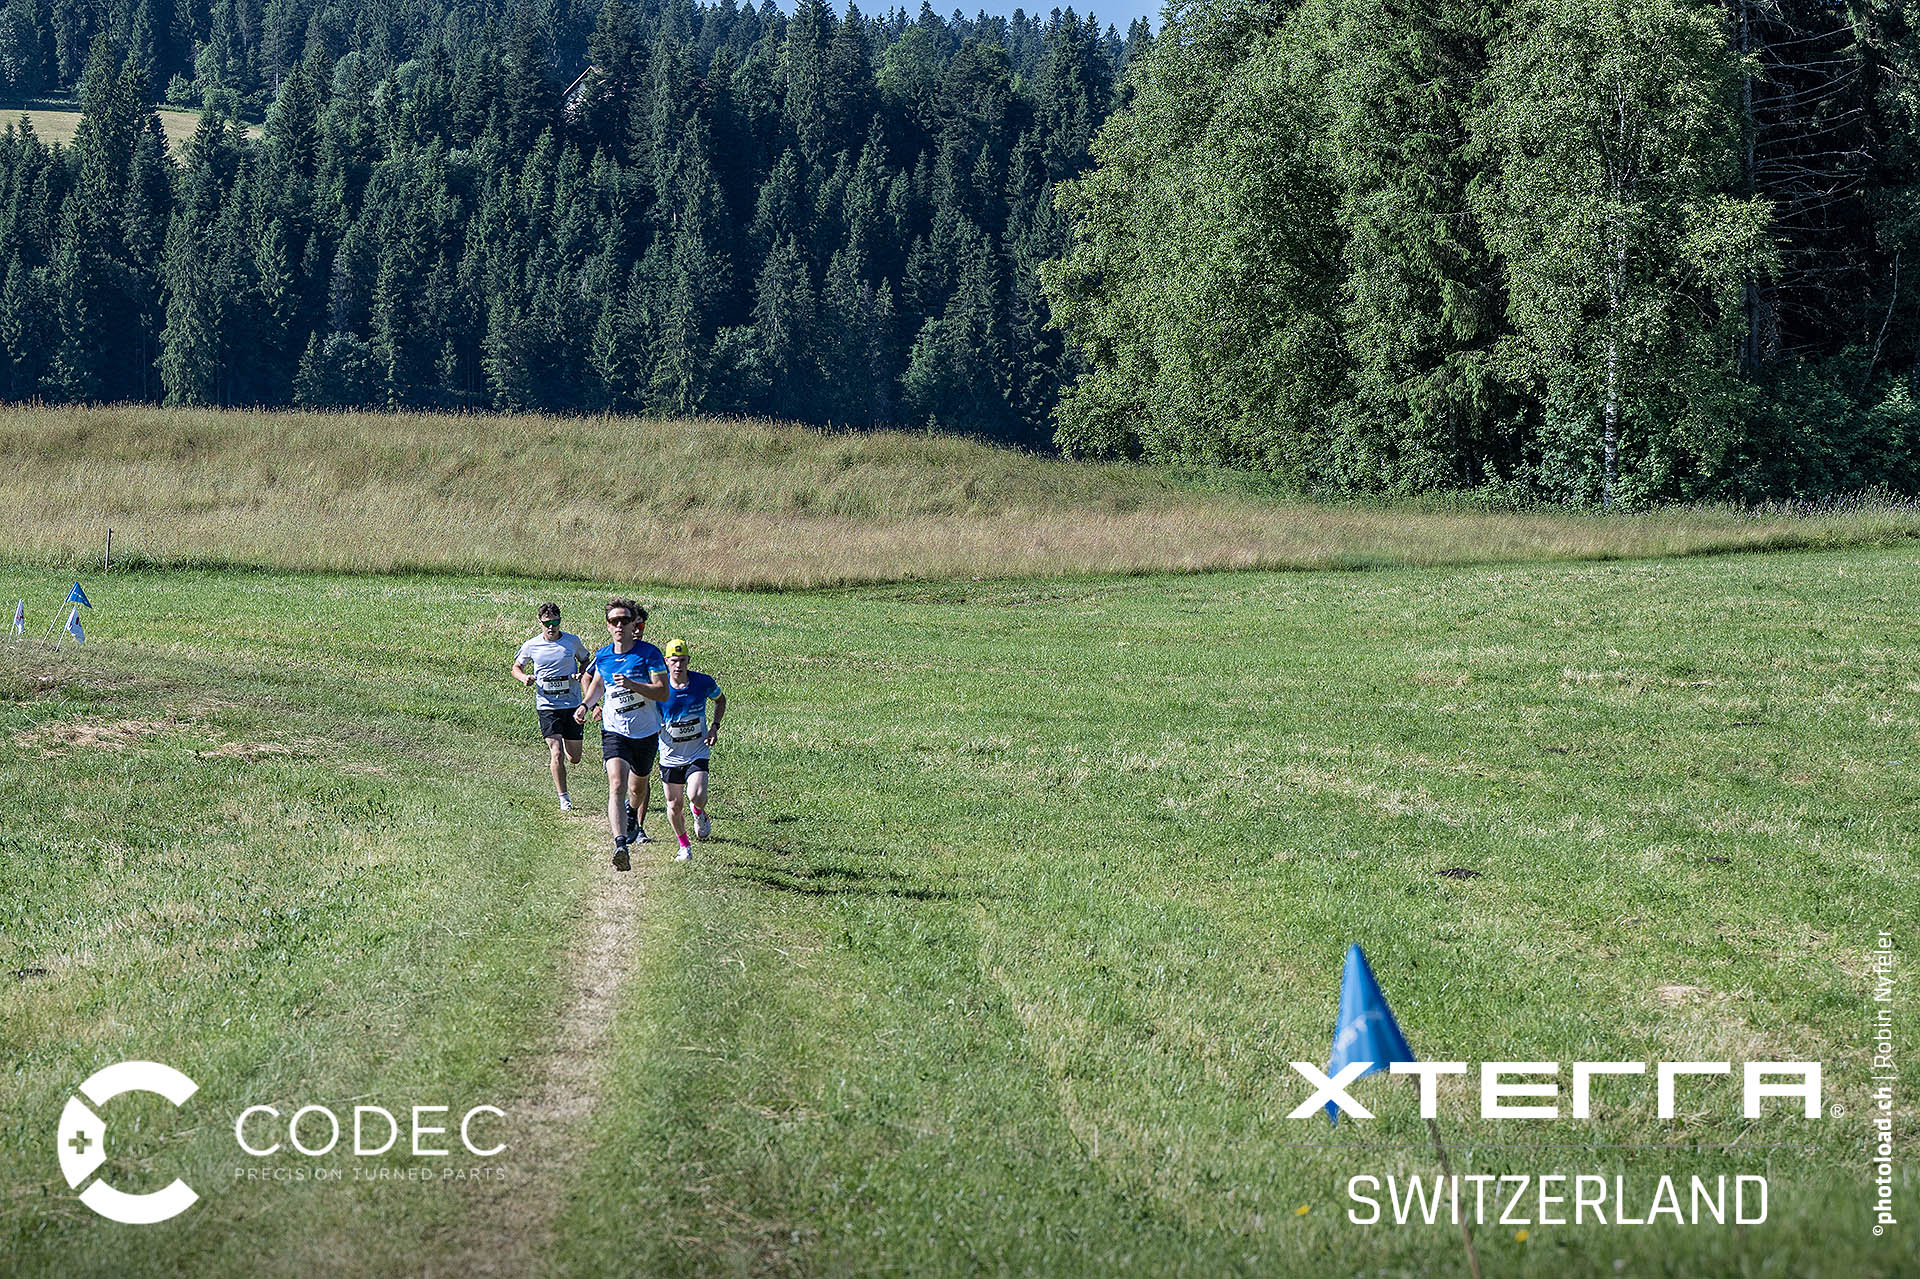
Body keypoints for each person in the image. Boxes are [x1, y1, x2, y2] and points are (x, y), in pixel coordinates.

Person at [578, 599, 667, 872]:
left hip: (646, 732)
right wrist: (585, 705)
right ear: (608, 626)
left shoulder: (649, 654)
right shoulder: (603, 656)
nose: (619, 625)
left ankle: (631, 811)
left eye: (624, 621)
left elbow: (662, 691)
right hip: (615, 730)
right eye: (614, 621)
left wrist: (632, 685)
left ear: (633, 625)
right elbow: (597, 686)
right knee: (616, 783)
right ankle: (620, 845)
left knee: (637, 789)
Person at [511, 603, 592, 810]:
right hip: (547, 705)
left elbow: (586, 661)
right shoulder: (532, 645)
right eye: (547, 623)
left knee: (574, 758)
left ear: (560, 621)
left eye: (555, 622)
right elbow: (516, 667)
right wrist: (523, 678)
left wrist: (582, 673)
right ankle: (564, 799)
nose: (551, 627)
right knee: (556, 752)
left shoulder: (572, 642)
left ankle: (566, 741)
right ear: (539, 622)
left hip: (571, 704)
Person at [654, 638, 725, 862]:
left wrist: (714, 727)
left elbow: (720, 700)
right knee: (674, 805)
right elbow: (647, 712)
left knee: (697, 795)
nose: (678, 665)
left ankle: (698, 812)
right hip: (670, 755)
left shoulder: (702, 682)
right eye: (674, 660)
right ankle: (684, 846)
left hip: (697, 751)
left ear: (688, 661)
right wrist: (656, 725)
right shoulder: (658, 688)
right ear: (666, 661)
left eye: (682, 660)